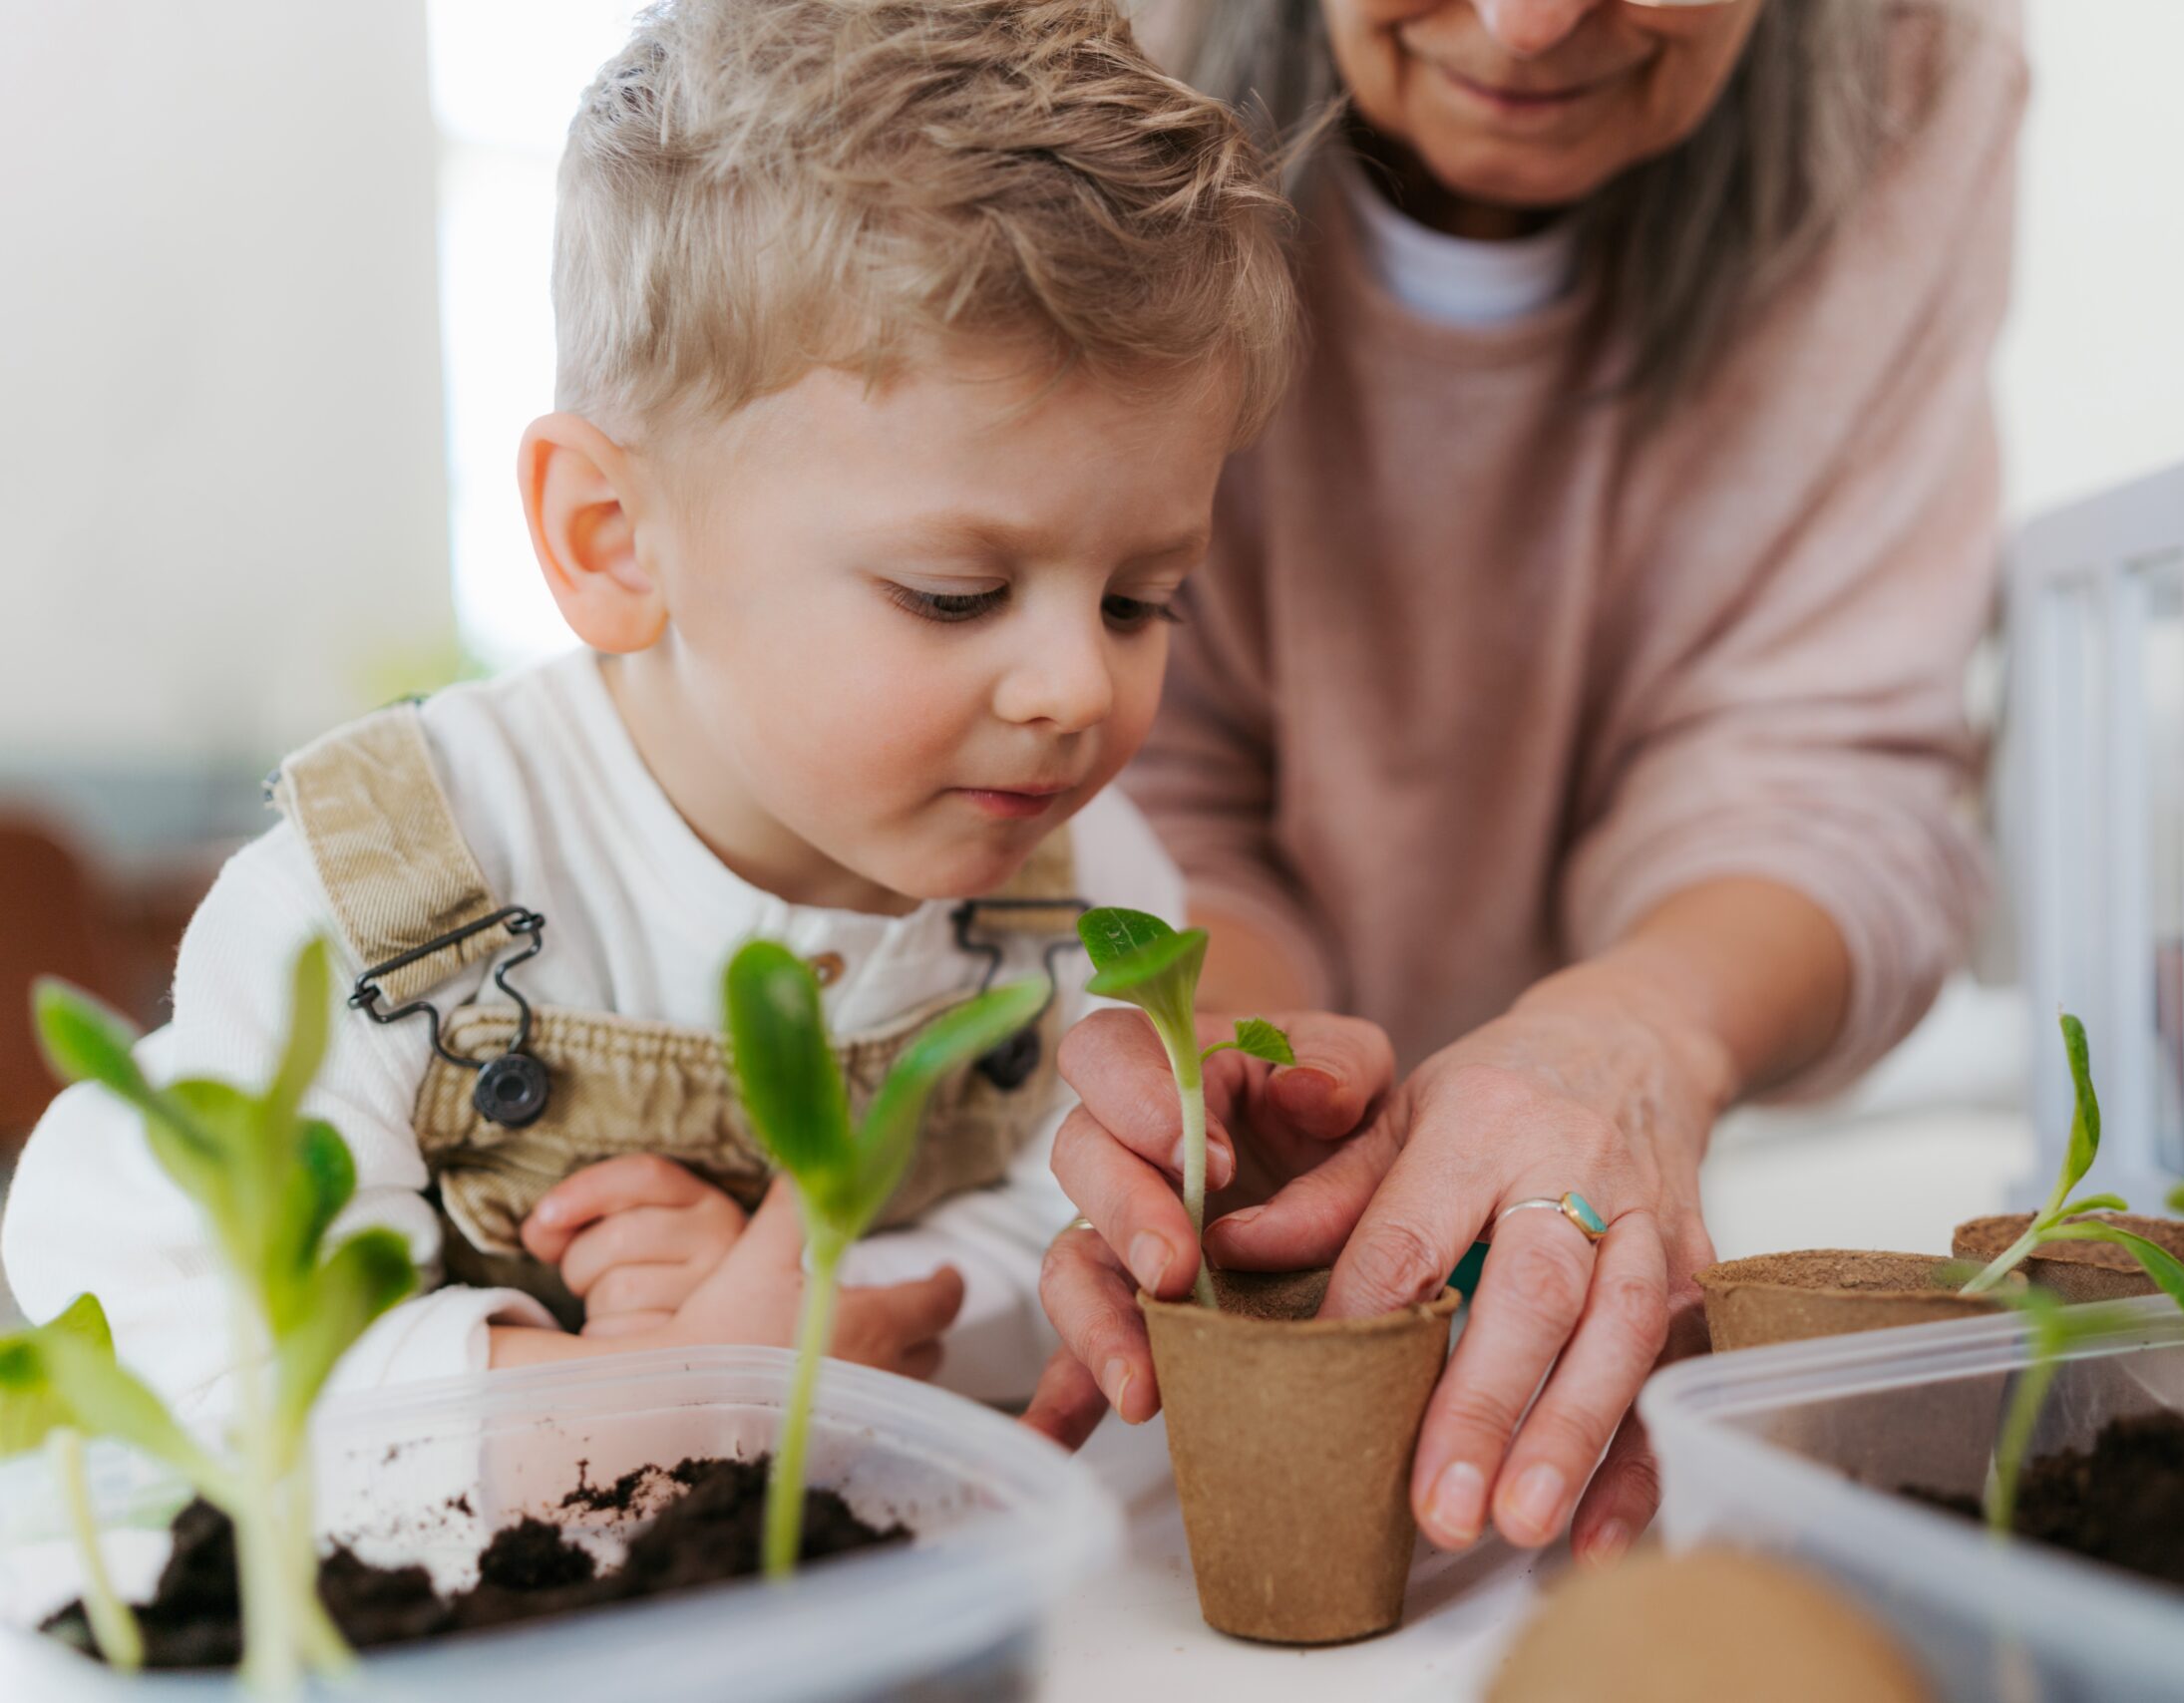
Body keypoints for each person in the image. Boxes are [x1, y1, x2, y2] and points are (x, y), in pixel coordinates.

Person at [1, 0, 1293, 1423]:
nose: (1079, 690)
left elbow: (1073, 1240)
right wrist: (608, 1391)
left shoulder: (1088, 889)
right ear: (613, 538)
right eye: (952, 594)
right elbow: (134, 1276)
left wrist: (816, 1311)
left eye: (1140, 601)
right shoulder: (396, 884)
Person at [1029, 0, 2026, 1566]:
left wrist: (1634, 1038)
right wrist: (1223, 1051)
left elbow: (1826, 768)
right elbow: (1140, 760)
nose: (1528, 24)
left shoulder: (1916, 68)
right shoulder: (1071, 47)